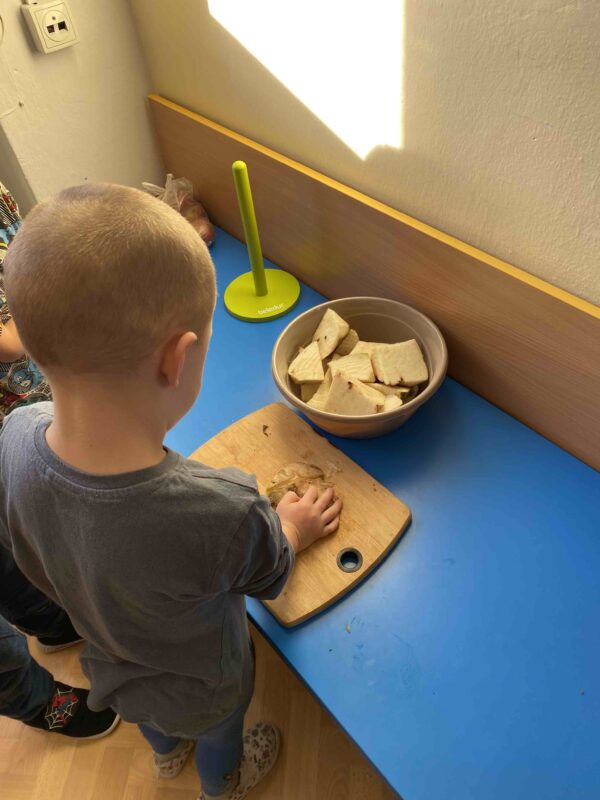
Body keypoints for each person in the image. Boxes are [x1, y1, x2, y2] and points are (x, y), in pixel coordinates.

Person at [0, 184, 342, 800]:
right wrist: (293, 526)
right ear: (178, 359)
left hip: (112, 669)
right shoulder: (223, 509)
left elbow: (33, 559)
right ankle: (222, 784)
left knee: (152, 722)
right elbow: (272, 574)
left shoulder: (14, 436)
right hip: (205, 686)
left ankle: (164, 757)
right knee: (219, 731)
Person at [0, 181, 119, 739]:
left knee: (10, 552)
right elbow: (9, 341)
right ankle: (37, 702)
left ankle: (51, 620)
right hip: (16, 410)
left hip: (25, 404)